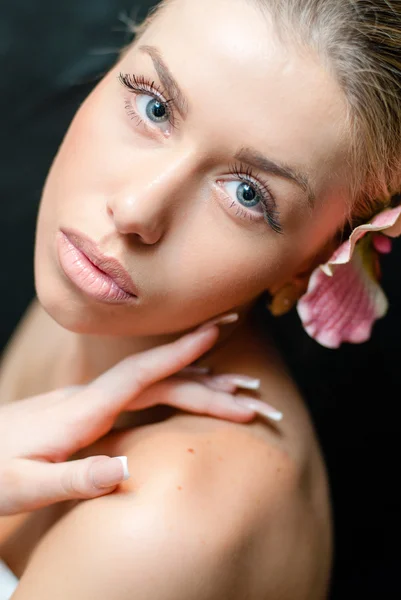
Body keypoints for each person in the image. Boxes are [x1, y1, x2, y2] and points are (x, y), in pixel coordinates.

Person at [0, 0, 400, 598]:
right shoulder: (101, 291)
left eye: (246, 194)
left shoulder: (159, 526)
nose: (136, 211)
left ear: (320, 261)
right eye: (153, 104)